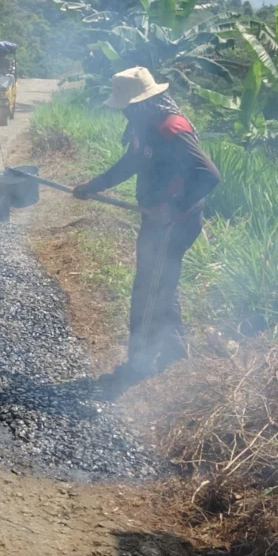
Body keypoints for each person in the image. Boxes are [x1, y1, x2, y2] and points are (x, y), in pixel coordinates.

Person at [73, 67, 220, 393]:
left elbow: (209, 175)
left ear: (143, 102)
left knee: (147, 290)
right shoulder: (145, 126)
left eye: (127, 105)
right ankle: (174, 349)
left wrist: (173, 208)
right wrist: (93, 186)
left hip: (175, 222)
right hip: (158, 219)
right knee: (160, 283)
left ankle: (137, 364)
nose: (124, 111)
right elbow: (131, 164)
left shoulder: (172, 129)